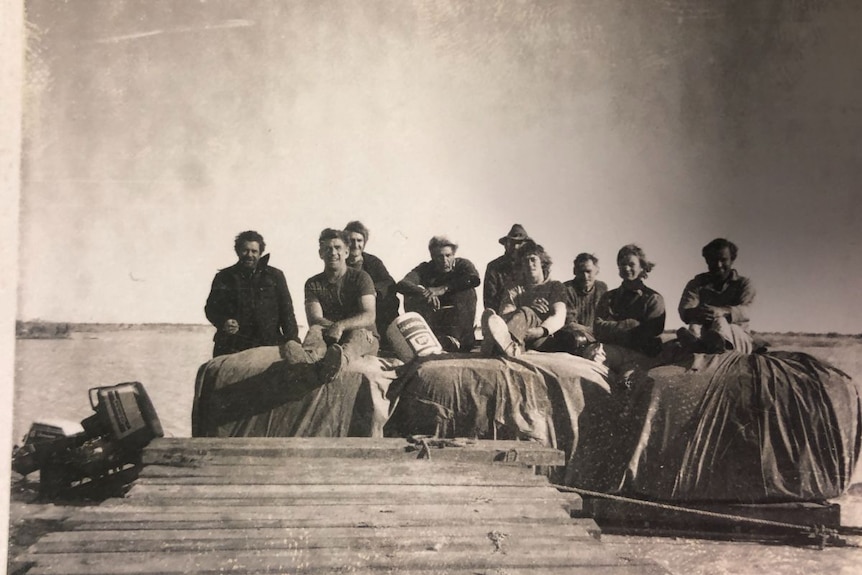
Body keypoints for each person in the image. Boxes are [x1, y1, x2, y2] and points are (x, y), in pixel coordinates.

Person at [281, 228, 379, 383]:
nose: (333, 252)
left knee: (359, 334)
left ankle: (338, 363)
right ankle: (306, 361)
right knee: (315, 330)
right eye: (327, 249)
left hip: (361, 334)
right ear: (320, 254)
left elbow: (369, 315)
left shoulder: (362, 277)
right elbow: (315, 318)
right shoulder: (313, 283)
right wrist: (335, 328)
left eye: (337, 248)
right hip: (330, 334)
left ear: (346, 252)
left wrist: (341, 326)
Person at [205, 230, 299, 357]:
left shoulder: (275, 276)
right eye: (245, 250)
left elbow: (287, 312)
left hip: (268, 345)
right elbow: (211, 309)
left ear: (260, 253)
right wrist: (223, 322)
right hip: (232, 346)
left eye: (254, 251)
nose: (249, 255)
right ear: (237, 251)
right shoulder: (224, 277)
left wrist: (292, 341)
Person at [481, 241, 567, 356]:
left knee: (526, 312)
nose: (529, 264)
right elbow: (505, 314)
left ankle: (494, 345)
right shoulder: (515, 288)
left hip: (544, 338)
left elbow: (559, 316)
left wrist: (540, 330)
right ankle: (509, 346)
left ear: (542, 262)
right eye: (525, 261)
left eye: (533, 259)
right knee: (524, 311)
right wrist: (526, 310)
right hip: (522, 335)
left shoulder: (555, 286)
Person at [397, 235, 480, 352]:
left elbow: (474, 279)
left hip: (460, 327)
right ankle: (428, 340)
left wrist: (443, 289)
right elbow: (402, 284)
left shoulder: (463, 265)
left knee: (467, 290)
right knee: (412, 293)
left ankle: (456, 340)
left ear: (454, 255)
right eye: (439, 257)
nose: (445, 261)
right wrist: (424, 292)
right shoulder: (426, 268)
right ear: (432, 257)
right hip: (437, 323)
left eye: (448, 256)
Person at [677, 238, 756, 354]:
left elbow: (746, 310)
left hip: (737, 335)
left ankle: (718, 346)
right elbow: (685, 310)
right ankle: (696, 345)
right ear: (707, 261)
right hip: (704, 332)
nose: (718, 265)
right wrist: (698, 312)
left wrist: (721, 312)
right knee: (695, 325)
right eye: (713, 260)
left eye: (723, 260)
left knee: (720, 322)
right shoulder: (697, 283)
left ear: (732, 260)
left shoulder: (743, 284)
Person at [594, 244, 665, 357]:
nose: (626, 268)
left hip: (641, 355)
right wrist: (631, 324)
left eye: (631, 264)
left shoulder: (653, 299)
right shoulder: (608, 297)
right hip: (610, 351)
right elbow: (597, 328)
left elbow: (650, 333)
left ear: (642, 267)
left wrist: (612, 327)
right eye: (622, 264)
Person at [343, 221, 400, 349]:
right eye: (352, 240)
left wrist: (373, 291)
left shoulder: (372, 262)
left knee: (389, 300)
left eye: (359, 240)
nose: (356, 245)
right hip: (350, 308)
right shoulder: (341, 263)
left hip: (374, 305)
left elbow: (389, 282)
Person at [561, 252, 608, 347]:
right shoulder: (566, 289)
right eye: (581, 272)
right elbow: (569, 323)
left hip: (595, 336)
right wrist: (592, 331)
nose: (585, 276)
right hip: (574, 336)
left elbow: (605, 317)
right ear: (574, 271)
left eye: (588, 271)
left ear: (597, 271)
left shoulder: (602, 288)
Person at [483, 224, 531, 312]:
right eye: (512, 243)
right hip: (503, 315)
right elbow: (490, 302)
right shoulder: (494, 267)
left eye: (519, 243)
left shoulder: (533, 264)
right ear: (505, 244)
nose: (516, 247)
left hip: (529, 312)